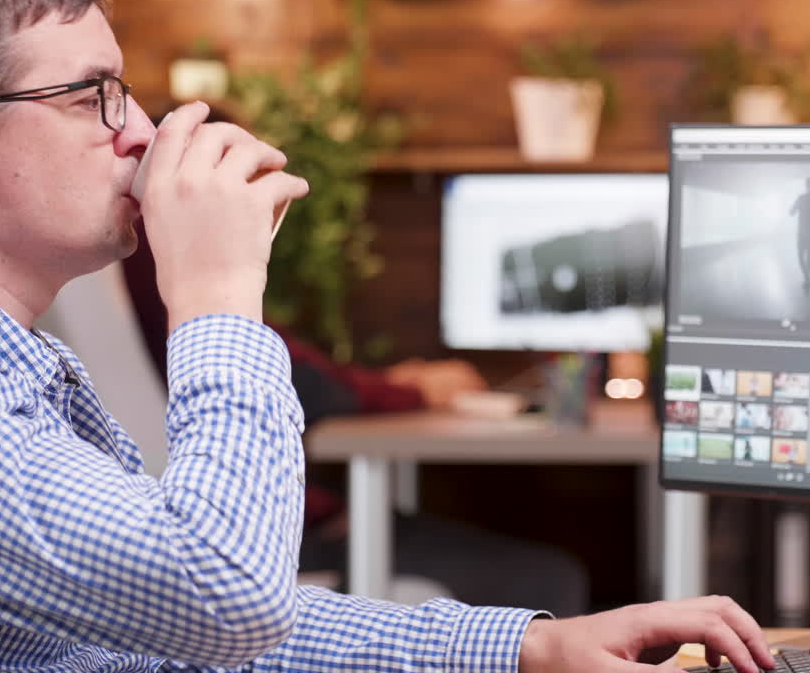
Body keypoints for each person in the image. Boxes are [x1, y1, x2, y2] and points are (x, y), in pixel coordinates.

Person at [0, 0, 778, 671]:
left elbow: (169, 627)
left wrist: (532, 648)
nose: (139, 130)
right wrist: (218, 294)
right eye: (94, 96)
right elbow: (223, 597)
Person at [123, 220, 592, 616]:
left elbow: (287, 367)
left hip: (278, 522)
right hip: (281, 535)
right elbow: (301, 380)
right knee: (548, 580)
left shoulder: (144, 267)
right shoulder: (176, 259)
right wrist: (411, 390)